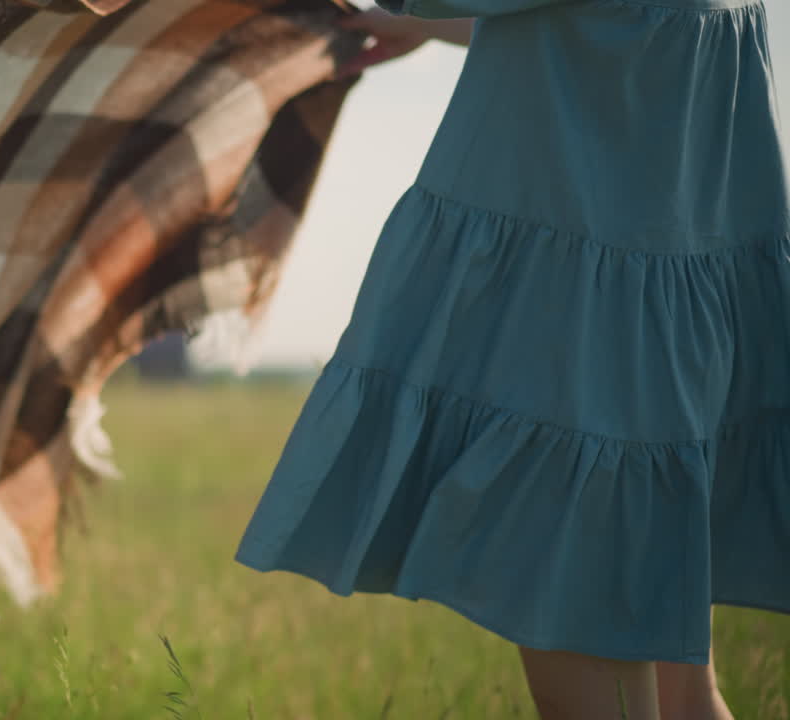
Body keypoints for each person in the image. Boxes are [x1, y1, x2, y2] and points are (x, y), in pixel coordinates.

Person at [235, 1, 790, 718]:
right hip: (668, 352)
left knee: (602, 676)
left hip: (581, 352)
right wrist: (427, 26)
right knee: (687, 697)